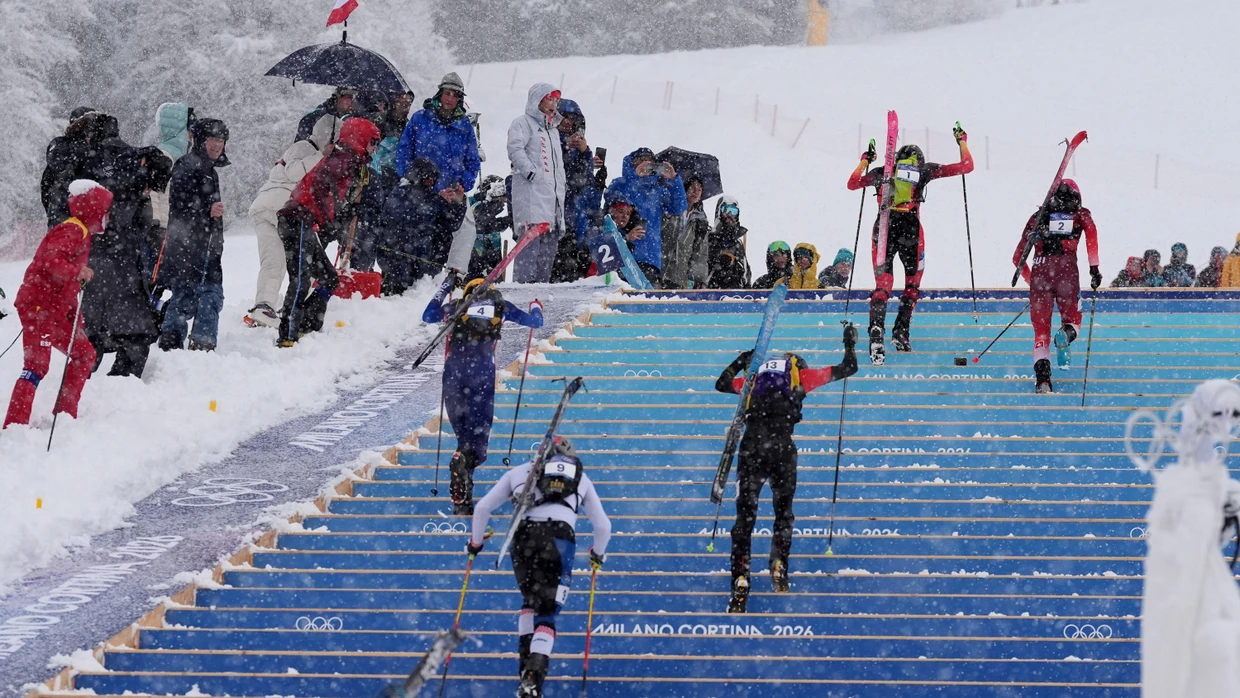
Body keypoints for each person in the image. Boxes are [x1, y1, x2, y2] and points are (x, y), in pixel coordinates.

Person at [715, 325, 858, 612]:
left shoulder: (754, 380)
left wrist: (742, 360)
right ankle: (779, 562)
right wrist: (849, 341)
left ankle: (741, 578)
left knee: (745, 519)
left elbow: (721, 383)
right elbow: (849, 368)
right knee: (783, 513)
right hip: (783, 449)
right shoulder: (801, 377)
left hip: (752, 447)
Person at [467, 435, 611, 698]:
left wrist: (476, 543)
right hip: (559, 539)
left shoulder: (521, 472)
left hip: (522, 538)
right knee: (547, 611)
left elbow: (483, 508)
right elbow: (603, 526)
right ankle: (533, 681)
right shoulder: (581, 479)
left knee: (530, 600)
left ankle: (525, 671)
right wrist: (597, 554)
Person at [848, 126, 974, 363]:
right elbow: (967, 166)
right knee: (912, 284)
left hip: (883, 227)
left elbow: (852, 184)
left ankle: (876, 330)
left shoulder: (883, 171)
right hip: (911, 229)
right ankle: (901, 331)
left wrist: (865, 160)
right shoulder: (923, 170)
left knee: (883, 284)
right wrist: (962, 142)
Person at [422, 275, 544, 514]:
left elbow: (428, 315)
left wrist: (445, 286)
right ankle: (464, 467)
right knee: (477, 444)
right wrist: (536, 306)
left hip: (454, 375)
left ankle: (463, 498)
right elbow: (535, 323)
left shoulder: (456, 307)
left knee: (464, 439)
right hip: (481, 375)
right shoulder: (501, 307)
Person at [5, 180, 112, 428]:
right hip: (38, 307)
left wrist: (77, 321)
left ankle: (64, 416)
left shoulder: (83, 235)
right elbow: (50, 261)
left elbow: (68, 290)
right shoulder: (72, 230)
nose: (108, 217)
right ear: (93, 210)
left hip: (54, 310)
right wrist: (77, 271)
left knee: (84, 354)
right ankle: (15, 426)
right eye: (105, 211)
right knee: (36, 365)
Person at [275, 117, 381, 346]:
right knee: (301, 278)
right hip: (298, 219)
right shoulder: (341, 160)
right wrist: (328, 218)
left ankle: (307, 325)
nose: (375, 149)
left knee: (328, 278)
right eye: (373, 142)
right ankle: (287, 335)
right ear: (360, 139)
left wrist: (336, 216)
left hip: (306, 221)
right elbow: (320, 189)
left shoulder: (350, 162)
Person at [81, 144, 172, 377]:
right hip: (113, 266)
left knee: (98, 332)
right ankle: (115, 381)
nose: (149, 190)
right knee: (134, 332)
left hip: (113, 265)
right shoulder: (127, 182)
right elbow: (126, 227)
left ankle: (90, 380)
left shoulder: (122, 172)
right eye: (150, 185)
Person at [246, 114, 342, 328]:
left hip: (266, 206)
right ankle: (299, 305)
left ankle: (264, 306)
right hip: (283, 208)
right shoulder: (303, 148)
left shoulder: (313, 152)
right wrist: (321, 155)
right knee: (306, 259)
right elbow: (294, 172)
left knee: (274, 261)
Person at [1011, 179, 1101, 394]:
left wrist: (1033, 282)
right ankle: (1065, 334)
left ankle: (1043, 381)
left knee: (1041, 334)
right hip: (1067, 271)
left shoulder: (1037, 217)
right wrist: (1094, 269)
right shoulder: (1081, 214)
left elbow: (1018, 259)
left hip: (1040, 272)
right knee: (1074, 321)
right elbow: (1092, 238)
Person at [157, 119, 229, 352]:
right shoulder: (187, 165)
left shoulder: (208, 169)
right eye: (213, 139)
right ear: (200, 140)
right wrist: (206, 211)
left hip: (205, 245)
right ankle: (194, 343)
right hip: (188, 244)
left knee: (193, 293)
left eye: (221, 140)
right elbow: (178, 206)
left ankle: (179, 341)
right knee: (202, 293)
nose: (218, 145)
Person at [380, 157, 468, 295]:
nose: (431, 182)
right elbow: (412, 218)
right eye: (428, 178)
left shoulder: (432, 197)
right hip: (399, 264)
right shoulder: (400, 193)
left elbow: (451, 225)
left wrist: (458, 204)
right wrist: (439, 202)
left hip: (426, 266)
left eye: (434, 179)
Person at [508, 83, 568, 283]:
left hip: (552, 203)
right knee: (528, 255)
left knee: (546, 259)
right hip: (531, 201)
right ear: (538, 100)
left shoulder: (554, 131)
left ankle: (540, 299)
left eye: (556, 100)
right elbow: (515, 149)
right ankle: (522, 296)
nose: (554, 104)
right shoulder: (522, 123)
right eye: (550, 99)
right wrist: (531, 173)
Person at [604, 148, 688, 286]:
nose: (645, 164)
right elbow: (610, 198)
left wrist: (674, 180)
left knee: (644, 303)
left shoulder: (658, 190)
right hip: (622, 253)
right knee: (617, 297)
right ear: (632, 163)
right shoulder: (621, 183)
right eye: (640, 160)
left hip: (650, 258)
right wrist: (635, 177)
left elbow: (678, 207)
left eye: (649, 161)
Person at [393, 73, 480, 196]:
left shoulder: (465, 127)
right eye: (447, 93)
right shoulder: (419, 119)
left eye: (455, 95)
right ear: (440, 94)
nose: (450, 99)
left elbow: (472, 160)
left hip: (450, 197)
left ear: (459, 99)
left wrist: (462, 184)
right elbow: (403, 151)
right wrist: (410, 177)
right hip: (418, 193)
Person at [551, 99, 602, 283]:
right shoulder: (546, 140)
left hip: (574, 223)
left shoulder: (580, 150)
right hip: (552, 218)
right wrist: (565, 146)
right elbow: (556, 173)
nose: (568, 122)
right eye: (564, 117)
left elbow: (583, 183)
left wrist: (584, 153)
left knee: (572, 278)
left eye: (572, 118)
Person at [40, 108, 100, 227]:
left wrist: (53, 212)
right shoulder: (91, 151)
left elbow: (45, 186)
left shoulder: (58, 147)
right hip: (80, 219)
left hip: (61, 217)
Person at [149, 103, 193, 240]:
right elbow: (154, 193)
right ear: (179, 130)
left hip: (175, 229)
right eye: (190, 128)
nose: (192, 134)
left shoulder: (181, 156)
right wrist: (156, 224)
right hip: (164, 231)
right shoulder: (164, 155)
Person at [467, 175, 511, 282]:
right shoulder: (475, 204)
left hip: (491, 260)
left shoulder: (489, 208)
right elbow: (484, 223)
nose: (503, 201)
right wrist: (508, 220)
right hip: (475, 261)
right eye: (501, 197)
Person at [706, 195, 750, 289]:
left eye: (733, 211)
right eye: (725, 210)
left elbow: (746, 274)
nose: (729, 214)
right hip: (711, 295)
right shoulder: (708, 238)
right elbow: (699, 268)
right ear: (719, 212)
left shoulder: (738, 243)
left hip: (735, 297)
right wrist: (717, 260)